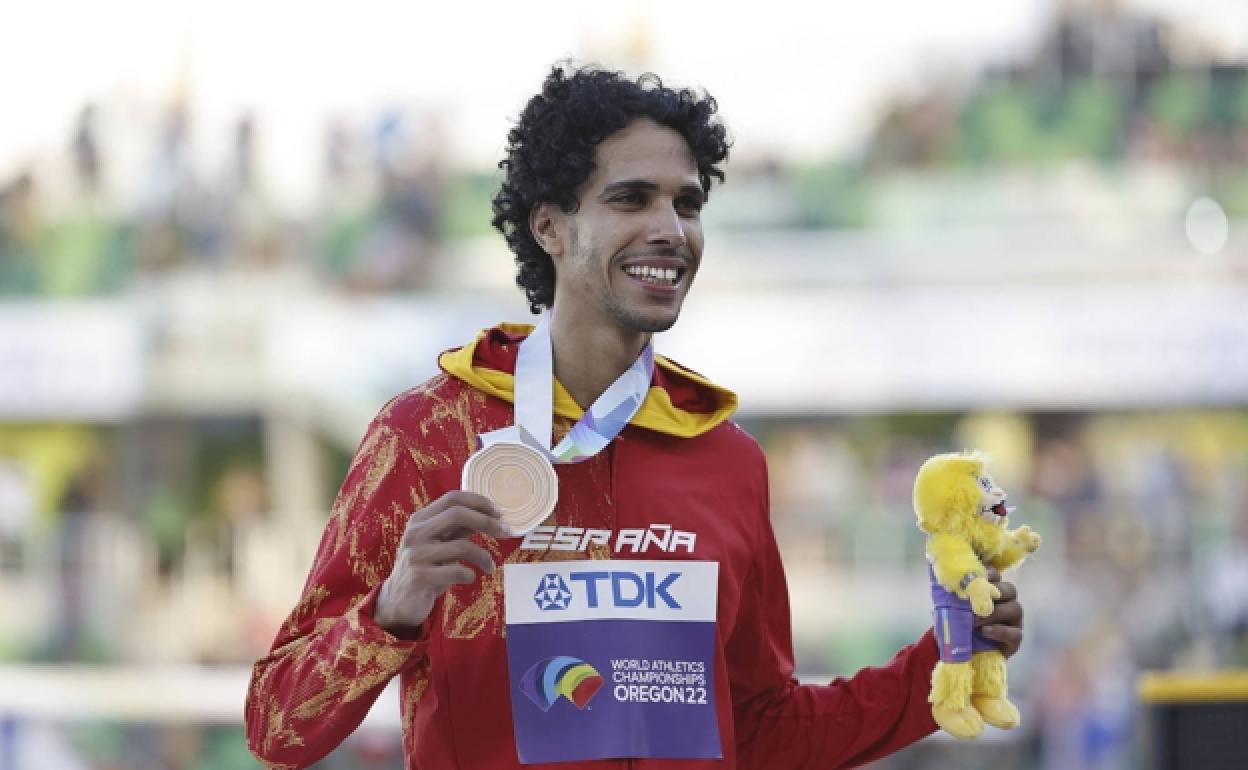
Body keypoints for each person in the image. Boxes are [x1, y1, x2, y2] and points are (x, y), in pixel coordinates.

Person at [244, 63, 1025, 769]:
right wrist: (391, 610)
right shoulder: (426, 436)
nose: (670, 228)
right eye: (631, 198)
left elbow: (761, 730)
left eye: (687, 203)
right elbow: (277, 726)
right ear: (548, 225)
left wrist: (943, 661)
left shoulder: (726, 460)